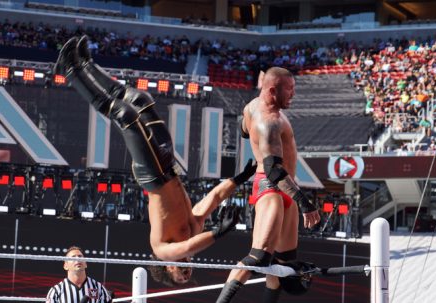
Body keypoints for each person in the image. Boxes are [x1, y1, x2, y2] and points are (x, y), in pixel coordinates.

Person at [55, 36, 257, 285]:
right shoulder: (192, 228)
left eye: (179, 277)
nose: (186, 273)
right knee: (140, 101)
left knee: (126, 115)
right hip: (168, 165)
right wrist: (239, 179)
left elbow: (189, 247)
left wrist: (219, 233)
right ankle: (85, 64)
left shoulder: (162, 250)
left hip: (153, 175)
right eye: (188, 275)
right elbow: (213, 199)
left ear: (166, 269)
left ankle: (70, 71)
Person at [216, 67, 321, 303]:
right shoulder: (269, 122)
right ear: (273, 91)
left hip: (287, 189)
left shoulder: (252, 106)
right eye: (290, 90)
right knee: (259, 257)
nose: (293, 94)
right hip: (272, 187)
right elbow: (274, 171)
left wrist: (254, 138)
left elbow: (242, 129)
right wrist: (305, 204)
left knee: (283, 264)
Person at [46, 246, 112, 303]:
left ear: (86, 264)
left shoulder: (98, 287)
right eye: (73, 257)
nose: (77, 259)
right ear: (65, 266)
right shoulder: (56, 291)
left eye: (80, 256)